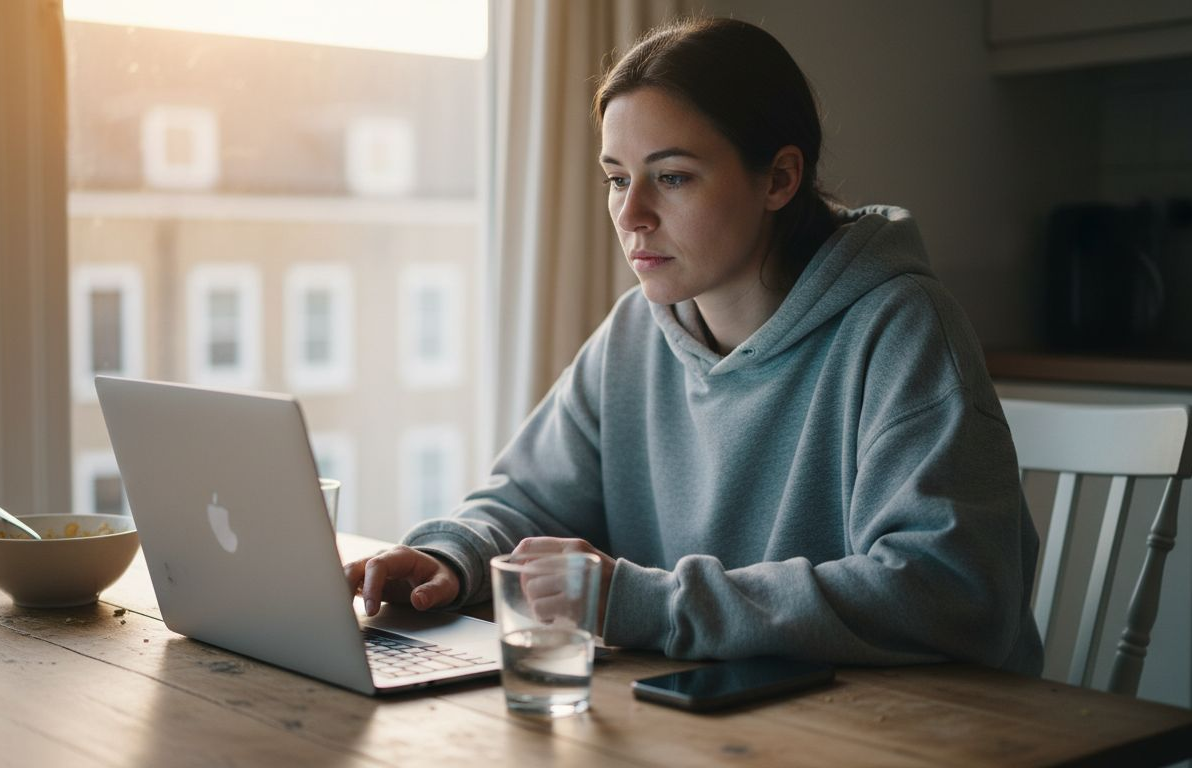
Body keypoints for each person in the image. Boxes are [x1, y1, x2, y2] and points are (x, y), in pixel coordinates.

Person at [344, 16, 1044, 675]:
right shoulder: (634, 333)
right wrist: (452, 556)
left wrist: (640, 603)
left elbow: (951, 591)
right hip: (722, 721)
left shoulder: (900, 329)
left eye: (671, 177)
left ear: (779, 179)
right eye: (617, 178)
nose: (631, 213)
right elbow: (530, 500)